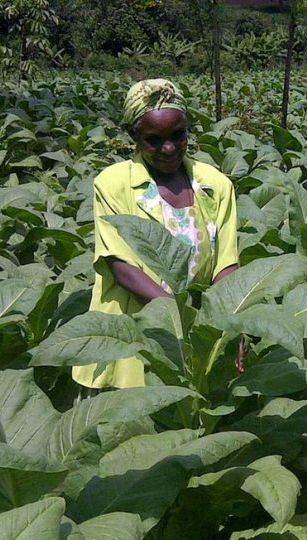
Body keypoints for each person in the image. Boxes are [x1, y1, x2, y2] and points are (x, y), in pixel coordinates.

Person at [73, 79, 239, 390]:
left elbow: (227, 265)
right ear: (134, 137)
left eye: (178, 135)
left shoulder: (215, 184)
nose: (168, 148)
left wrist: (228, 324)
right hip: (131, 336)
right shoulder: (113, 184)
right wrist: (184, 322)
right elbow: (122, 268)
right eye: (153, 140)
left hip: (201, 331)